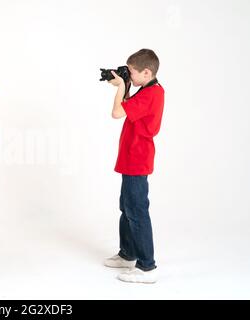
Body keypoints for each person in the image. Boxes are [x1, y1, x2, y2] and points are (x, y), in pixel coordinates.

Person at [104, 49, 165, 283]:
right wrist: (126, 86)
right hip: (132, 158)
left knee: (137, 211)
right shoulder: (148, 90)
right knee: (126, 207)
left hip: (137, 160)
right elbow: (130, 106)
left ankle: (147, 267)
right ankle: (128, 253)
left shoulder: (151, 95)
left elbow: (117, 112)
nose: (128, 75)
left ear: (146, 72)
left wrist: (121, 87)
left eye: (131, 72)